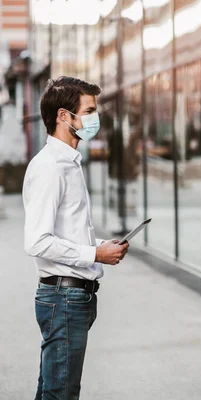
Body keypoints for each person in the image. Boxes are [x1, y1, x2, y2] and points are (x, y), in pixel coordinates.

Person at [23, 76, 129, 399]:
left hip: (72, 298)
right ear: (63, 117)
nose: (93, 119)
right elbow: (37, 241)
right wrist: (95, 256)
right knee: (61, 394)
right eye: (89, 111)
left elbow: (64, 234)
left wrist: (100, 247)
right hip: (63, 299)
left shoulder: (69, 164)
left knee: (54, 391)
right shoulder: (51, 167)